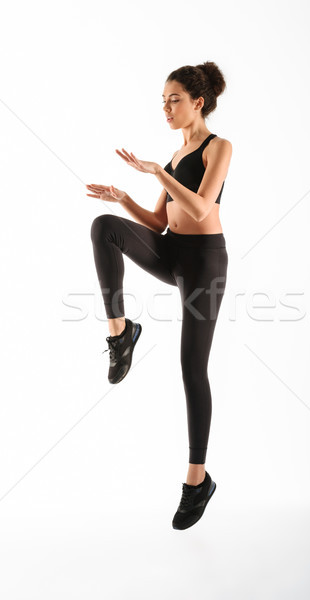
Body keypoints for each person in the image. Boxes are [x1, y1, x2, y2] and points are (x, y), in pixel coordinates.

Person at [87, 61, 232, 530]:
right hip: (172, 251)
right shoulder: (172, 158)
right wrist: (123, 197)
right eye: (162, 101)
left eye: (174, 99)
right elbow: (159, 224)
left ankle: (197, 481)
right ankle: (121, 333)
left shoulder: (218, 148)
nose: (166, 108)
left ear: (198, 102)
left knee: (192, 367)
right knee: (105, 226)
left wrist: (158, 173)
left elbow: (200, 205)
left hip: (205, 262)